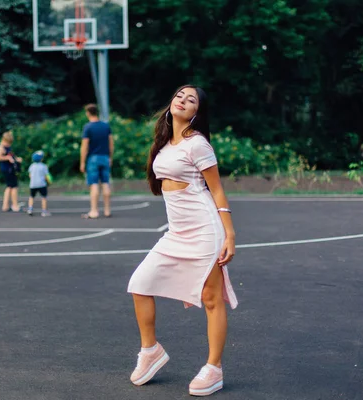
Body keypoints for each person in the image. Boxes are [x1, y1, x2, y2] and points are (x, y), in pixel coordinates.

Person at [127, 85, 238, 396]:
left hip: (204, 229)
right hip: (176, 232)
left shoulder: (197, 144)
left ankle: (213, 368)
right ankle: (150, 351)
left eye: (191, 100)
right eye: (180, 95)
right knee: (140, 283)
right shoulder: (165, 143)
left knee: (211, 299)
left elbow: (216, 190)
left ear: (196, 113)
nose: (183, 101)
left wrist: (229, 234)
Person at [79, 104, 114, 219]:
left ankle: (94, 211)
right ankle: (107, 210)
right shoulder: (105, 126)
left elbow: (84, 146)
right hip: (105, 157)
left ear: (88, 113)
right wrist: (110, 157)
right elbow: (111, 144)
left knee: (94, 184)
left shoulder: (88, 127)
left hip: (93, 158)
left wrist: (82, 162)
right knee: (105, 183)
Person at [0, 130, 22, 212]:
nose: (9, 145)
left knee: (9, 187)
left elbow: (11, 155)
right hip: (7, 169)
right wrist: (7, 158)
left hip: (10, 169)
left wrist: (17, 159)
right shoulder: (0, 148)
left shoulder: (7, 147)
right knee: (14, 187)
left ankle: (5, 206)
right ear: (4, 140)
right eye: (8, 143)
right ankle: (15, 205)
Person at [27, 150, 52, 217]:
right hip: (42, 184)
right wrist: (49, 182)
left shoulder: (31, 166)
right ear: (41, 158)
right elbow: (46, 176)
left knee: (31, 196)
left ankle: (30, 209)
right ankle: (44, 211)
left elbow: (30, 175)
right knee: (44, 197)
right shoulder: (44, 166)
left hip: (33, 184)